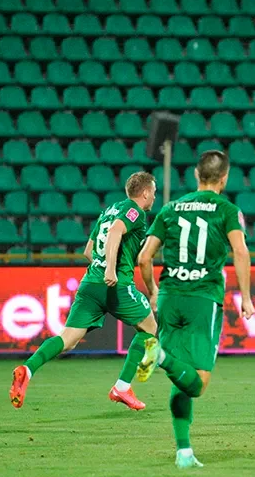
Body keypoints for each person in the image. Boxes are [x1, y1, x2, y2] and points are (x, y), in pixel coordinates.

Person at [136, 151, 255, 468]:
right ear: (224, 178)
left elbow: (144, 258)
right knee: (198, 383)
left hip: (169, 296)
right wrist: (245, 297)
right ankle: (160, 356)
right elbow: (240, 251)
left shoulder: (170, 209)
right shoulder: (228, 210)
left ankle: (184, 452)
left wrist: (153, 291)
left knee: (181, 376)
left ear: (195, 174)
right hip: (202, 298)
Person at [10, 172, 161, 411]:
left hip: (90, 283)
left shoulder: (109, 210)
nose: (154, 196)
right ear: (145, 193)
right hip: (116, 285)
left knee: (67, 340)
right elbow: (116, 232)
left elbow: (88, 250)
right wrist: (110, 269)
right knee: (150, 328)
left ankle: (27, 369)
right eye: (153, 192)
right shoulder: (135, 212)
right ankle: (122, 387)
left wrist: (101, 268)